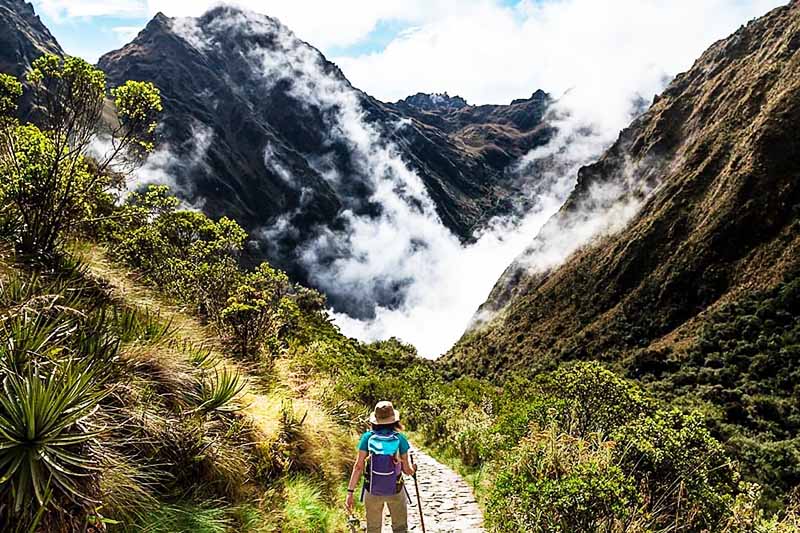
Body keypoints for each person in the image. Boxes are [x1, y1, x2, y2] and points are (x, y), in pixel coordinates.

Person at [346, 401, 417, 533]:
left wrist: (350, 492)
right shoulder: (400, 438)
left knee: (373, 529)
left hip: (372, 490)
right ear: (394, 420)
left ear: (375, 420)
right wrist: (413, 469)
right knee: (400, 529)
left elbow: (358, 467)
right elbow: (407, 470)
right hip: (395, 489)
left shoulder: (367, 437)